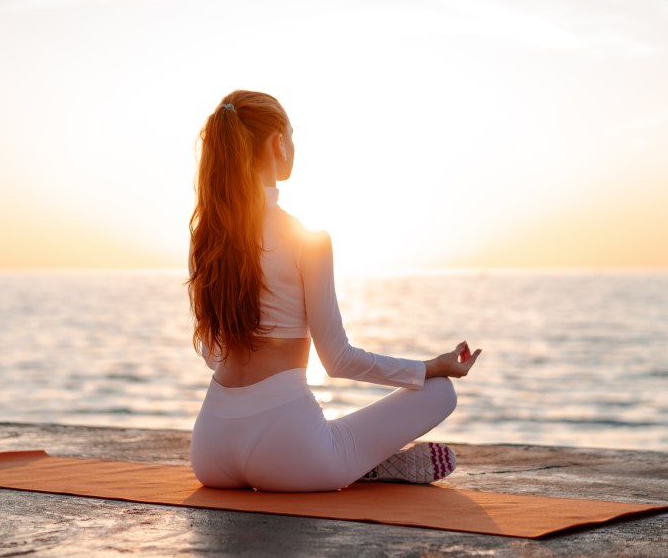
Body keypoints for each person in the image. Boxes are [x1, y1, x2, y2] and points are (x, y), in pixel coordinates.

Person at [186, 90, 481, 493]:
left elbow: (212, 354)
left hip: (210, 452)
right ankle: (367, 461)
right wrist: (430, 367)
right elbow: (338, 360)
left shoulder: (208, 238)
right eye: (292, 135)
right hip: (291, 454)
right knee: (440, 392)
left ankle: (353, 455)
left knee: (324, 434)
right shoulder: (306, 238)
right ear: (279, 144)